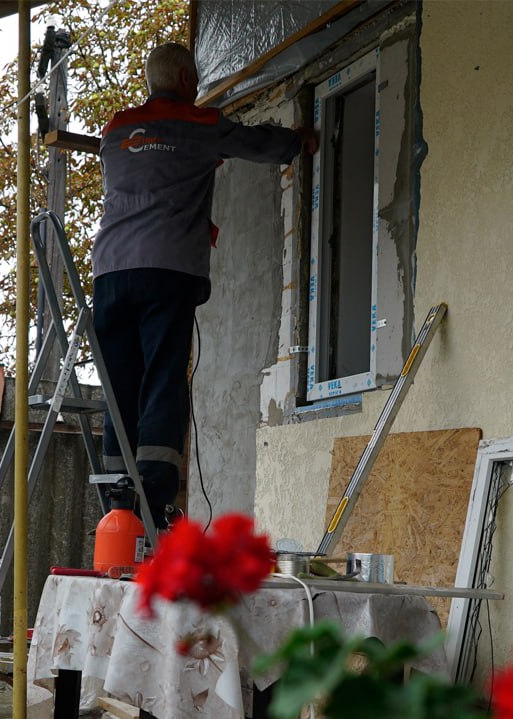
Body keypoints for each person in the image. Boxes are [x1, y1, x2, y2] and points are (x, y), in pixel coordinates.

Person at [92, 42, 318, 531]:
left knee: (118, 380)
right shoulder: (201, 126)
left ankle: (117, 497)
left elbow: (147, 166)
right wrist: (298, 141)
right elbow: (255, 142)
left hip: (109, 271)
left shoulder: (114, 129)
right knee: (163, 374)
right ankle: (152, 494)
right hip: (167, 269)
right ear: (187, 80)